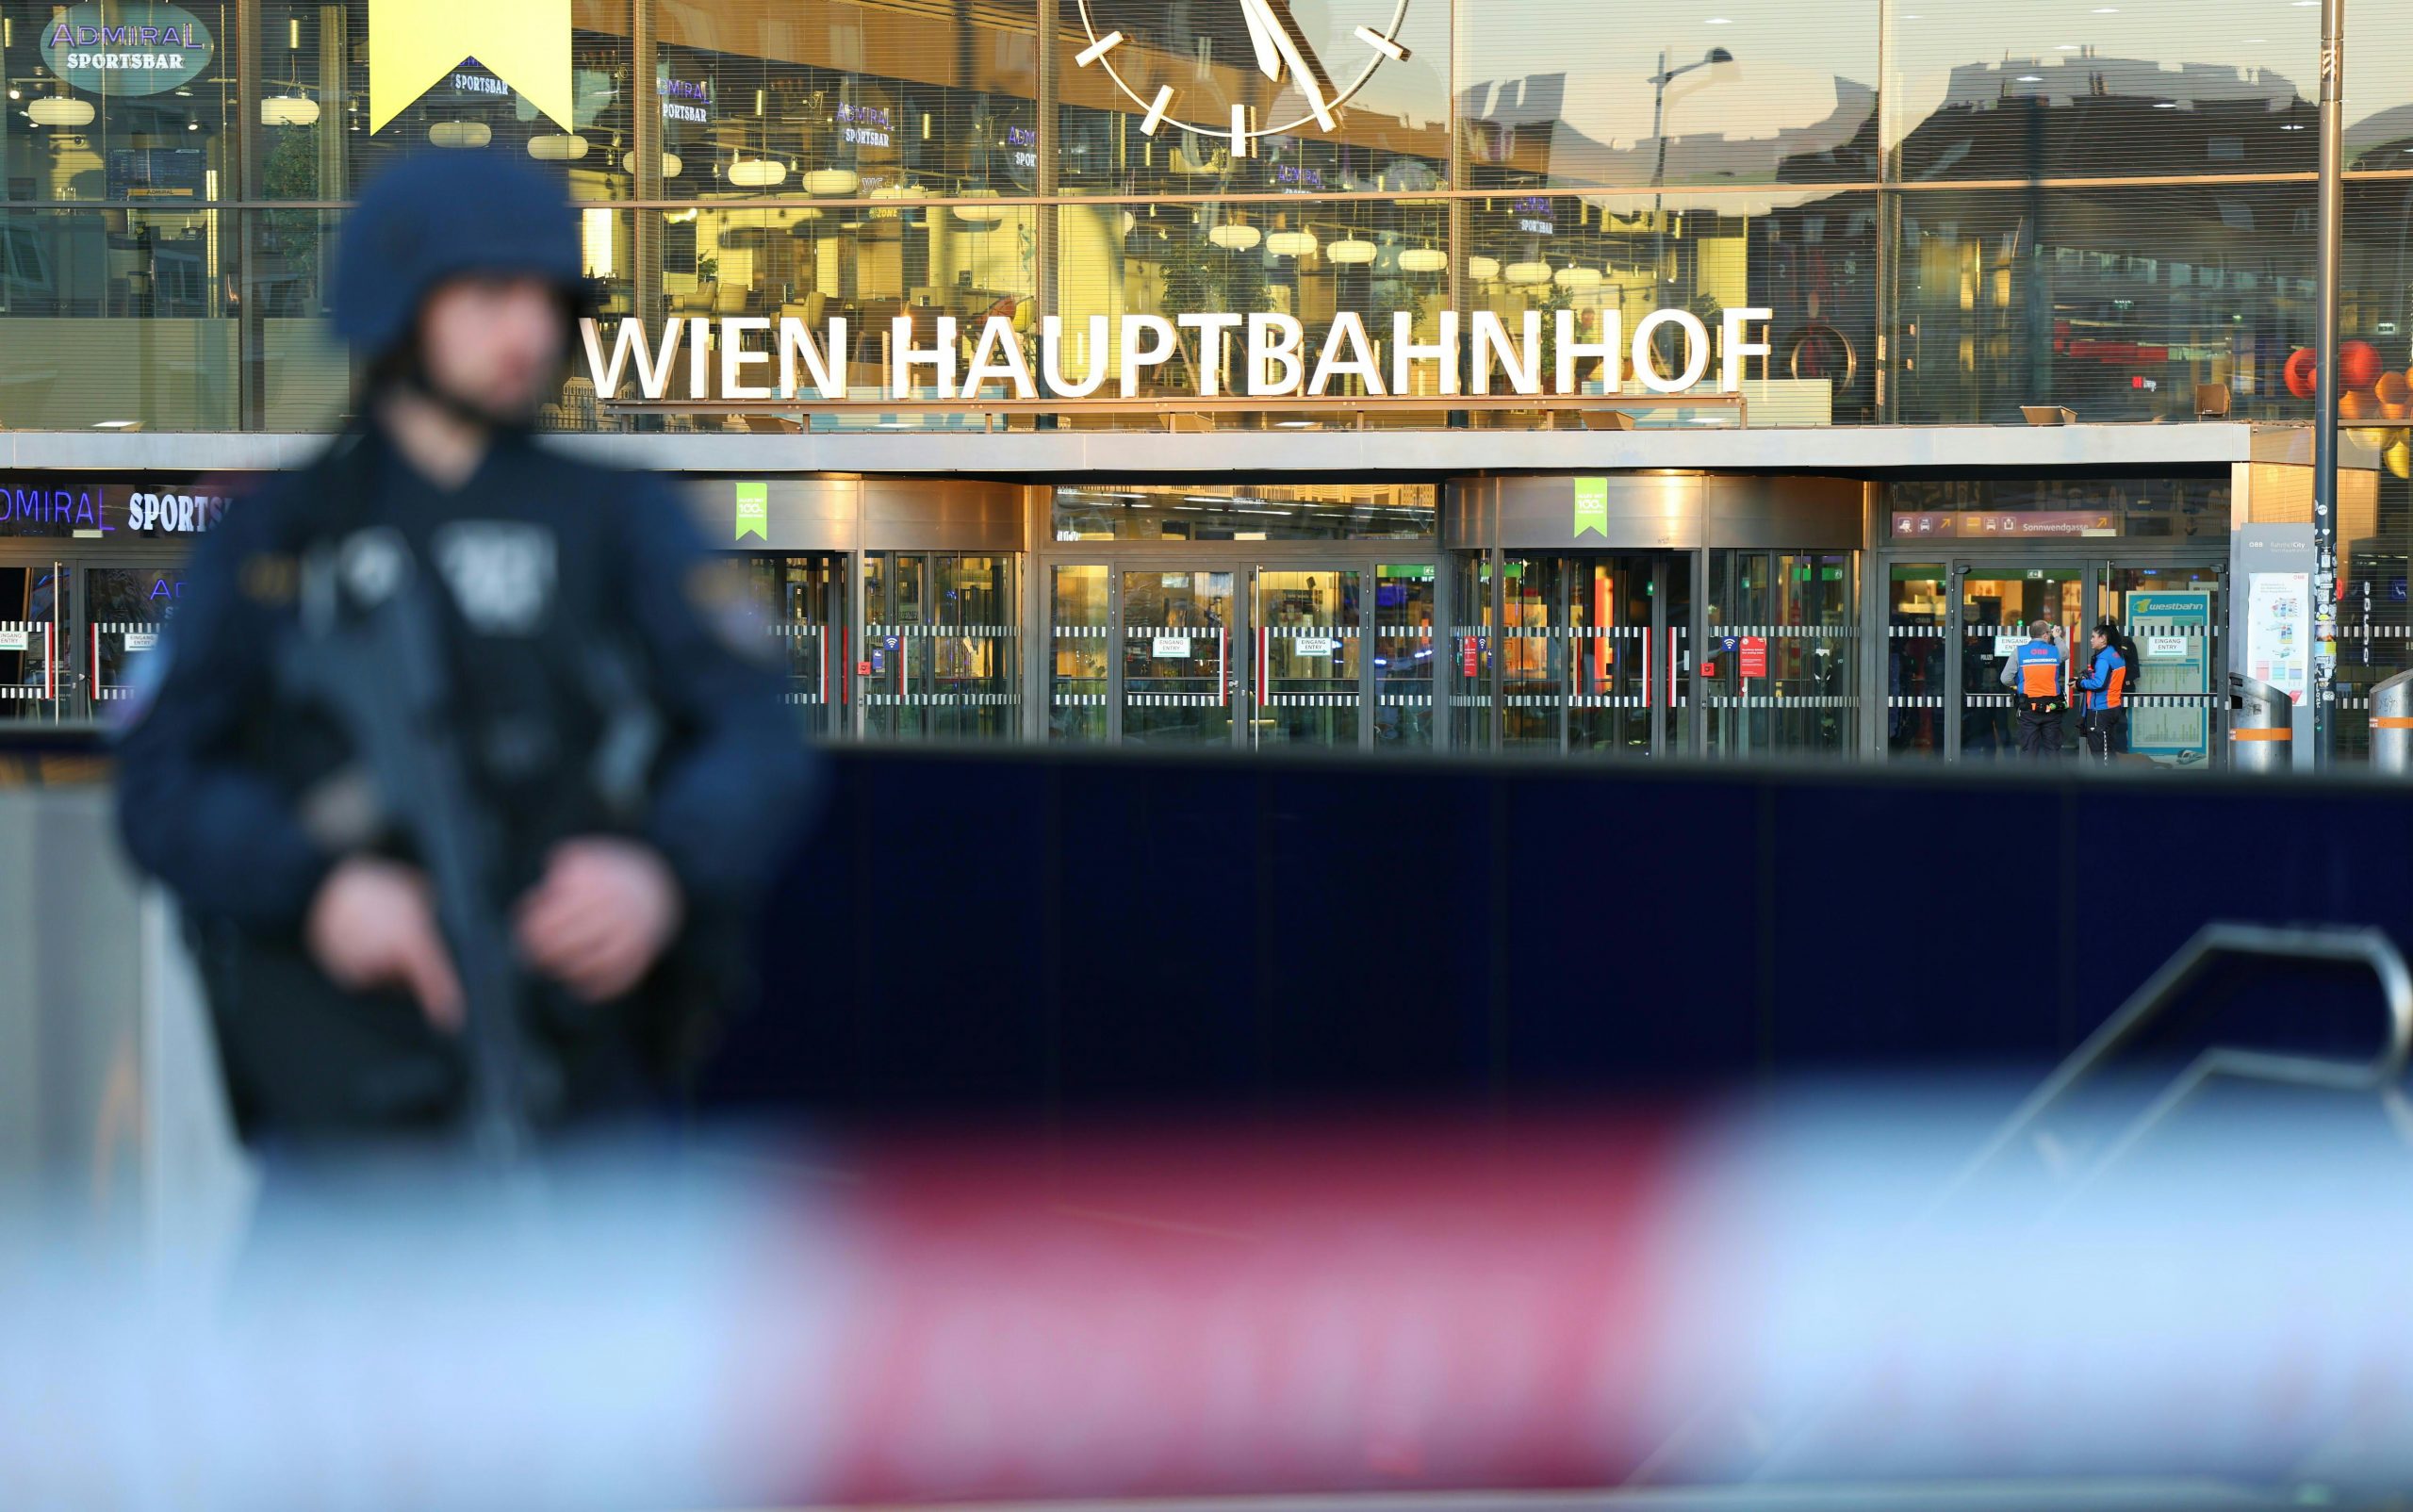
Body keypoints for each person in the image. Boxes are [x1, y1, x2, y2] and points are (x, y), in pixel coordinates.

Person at [114, 152, 817, 1149]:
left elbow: (757, 738)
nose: (528, 330)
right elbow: (160, 781)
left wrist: (657, 873)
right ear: (401, 307)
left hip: (577, 1098)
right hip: (346, 1129)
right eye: (489, 293)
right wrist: (316, 888)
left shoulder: (619, 520)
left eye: (546, 298)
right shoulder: (280, 532)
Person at [1998, 617, 2067, 759]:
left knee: (2029, 751)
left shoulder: (2019, 652)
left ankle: (2028, 781)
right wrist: (2058, 636)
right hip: (2052, 707)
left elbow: (2005, 678)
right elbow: (2066, 653)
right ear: (2046, 635)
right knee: (2053, 750)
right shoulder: (2054, 651)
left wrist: (2018, 684)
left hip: (2028, 708)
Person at [2076, 619, 2130, 765]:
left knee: (2100, 754)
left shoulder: (2103, 658)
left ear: (2103, 638)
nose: (2091, 639)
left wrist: (2080, 683)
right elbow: (2108, 678)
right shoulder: (2115, 654)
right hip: (2112, 707)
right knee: (2109, 751)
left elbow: (2099, 683)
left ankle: (2106, 784)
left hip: (2100, 710)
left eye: (2094, 636)